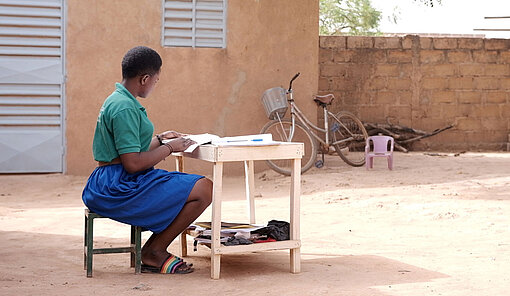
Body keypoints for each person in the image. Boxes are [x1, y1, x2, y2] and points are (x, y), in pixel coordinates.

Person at [82, 46, 212, 274]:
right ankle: (155, 251)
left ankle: (154, 249)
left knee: (193, 186)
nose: (155, 84)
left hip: (115, 177)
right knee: (203, 189)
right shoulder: (124, 108)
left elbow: (128, 149)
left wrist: (161, 139)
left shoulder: (120, 100)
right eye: (156, 80)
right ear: (145, 78)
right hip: (117, 185)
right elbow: (133, 163)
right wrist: (170, 148)